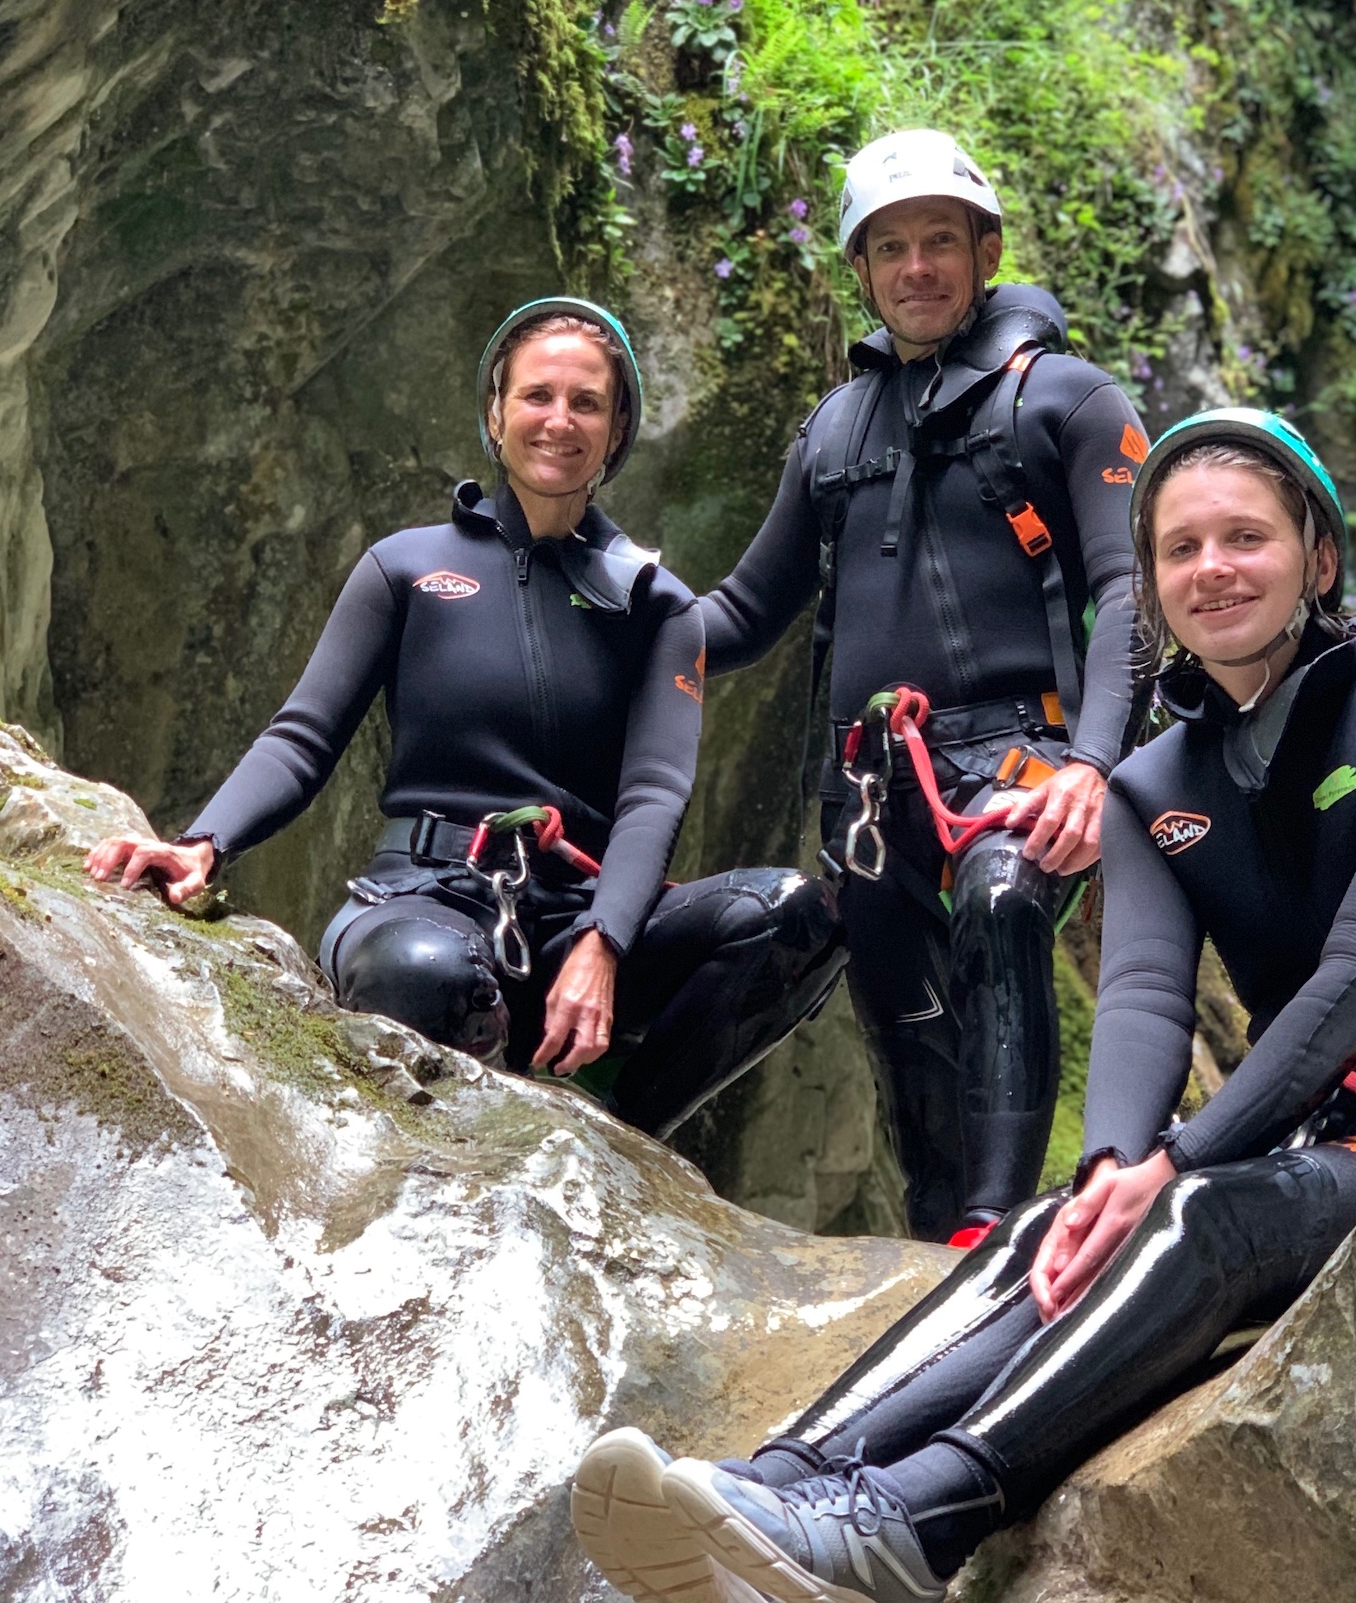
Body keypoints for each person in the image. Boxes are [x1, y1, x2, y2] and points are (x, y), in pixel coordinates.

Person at [568, 406, 1356, 1603]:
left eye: (1246, 538)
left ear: (1318, 558)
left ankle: (911, 1526)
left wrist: (1175, 1161)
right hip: (1304, 1136)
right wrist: (1114, 1161)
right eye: (1180, 549)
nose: (1212, 570)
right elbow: (1137, 992)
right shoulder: (1155, 780)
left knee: (1191, 1217)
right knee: (1055, 1224)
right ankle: (772, 1495)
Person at [86, 298, 844, 1137]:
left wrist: (605, 939)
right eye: (536, 396)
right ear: (496, 410)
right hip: (420, 898)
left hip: (572, 920)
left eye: (586, 403)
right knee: (426, 970)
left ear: (617, 427)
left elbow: (655, 795)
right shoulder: (406, 567)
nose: (560, 421)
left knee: (794, 914)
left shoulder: (656, 606)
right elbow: (303, 736)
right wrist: (203, 841)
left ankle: (621, 1143)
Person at [696, 130, 1150, 1242]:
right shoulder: (833, 431)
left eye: (940, 241)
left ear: (985, 251)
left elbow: (1133, 595)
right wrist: (615, 622)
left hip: (1023, 756)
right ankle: (935, 1245)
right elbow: (744, 614)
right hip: (870, 787)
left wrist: (1095, 767)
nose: (916, 268)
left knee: (1001, 905)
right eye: (889, 247)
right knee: (900, 1012)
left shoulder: (1069, 403)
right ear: (859, 270)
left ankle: (996, 1230)